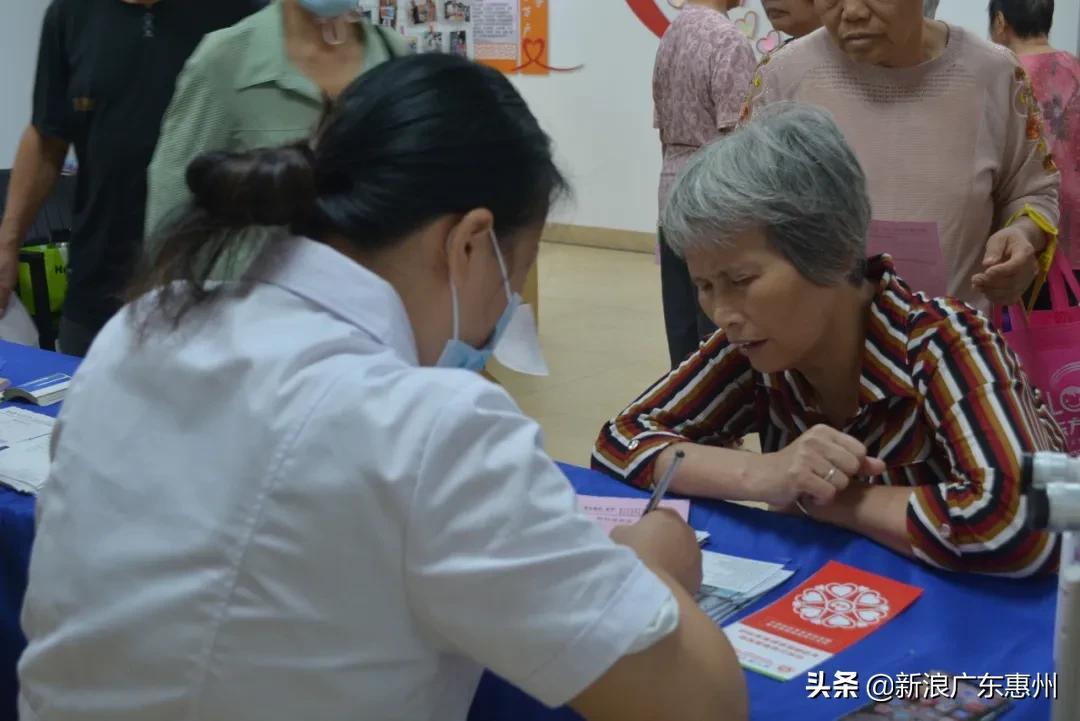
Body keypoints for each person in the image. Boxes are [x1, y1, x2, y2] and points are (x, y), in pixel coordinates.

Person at [18, 55, 748, 721]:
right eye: (514, 277)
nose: (507, 314)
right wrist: (652, 566)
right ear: (468, 244)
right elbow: (702, 703)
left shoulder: (143, 328)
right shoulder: (428, 425)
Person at [594, 104, 1066, 578]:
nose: (722, 314)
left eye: (740, 278)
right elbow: (620, 442)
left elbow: (1025, 522)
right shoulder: (753, 345)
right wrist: (766, 475)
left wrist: (826, 502)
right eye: (705, 286)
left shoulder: (945, 343)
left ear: (834, 251)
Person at [742, 0, 1061, 312]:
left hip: (952, 349)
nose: (852, 11)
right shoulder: (782, 78)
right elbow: (743, 208)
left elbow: (1032, 190)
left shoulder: (994, 74)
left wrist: (1022, 236)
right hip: (818, 352)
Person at [0, 0, 262, 357]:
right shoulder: (71, 13)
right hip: (98, 287)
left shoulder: (244, 11)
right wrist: (8, 242)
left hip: (213, 290)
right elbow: (47, 135)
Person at [144, 0, 410, 247]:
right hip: (251, 288)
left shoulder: (393, 55)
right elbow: (172, 205)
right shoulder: (227, 58)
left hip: (367, 285)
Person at [654, 0, 756, 368]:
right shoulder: (728, 40)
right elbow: (740, 137)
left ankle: (684, 414)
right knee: (719, 329)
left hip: (672, 191)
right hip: (716, 196)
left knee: (681, 326)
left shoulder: (671, 35)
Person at [990, 0, 1079, 274]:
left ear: (1000, 22)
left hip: (1022, 231)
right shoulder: (1076, 68)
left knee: (1023, 315)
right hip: (1075, 227)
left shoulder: (1001, 76)